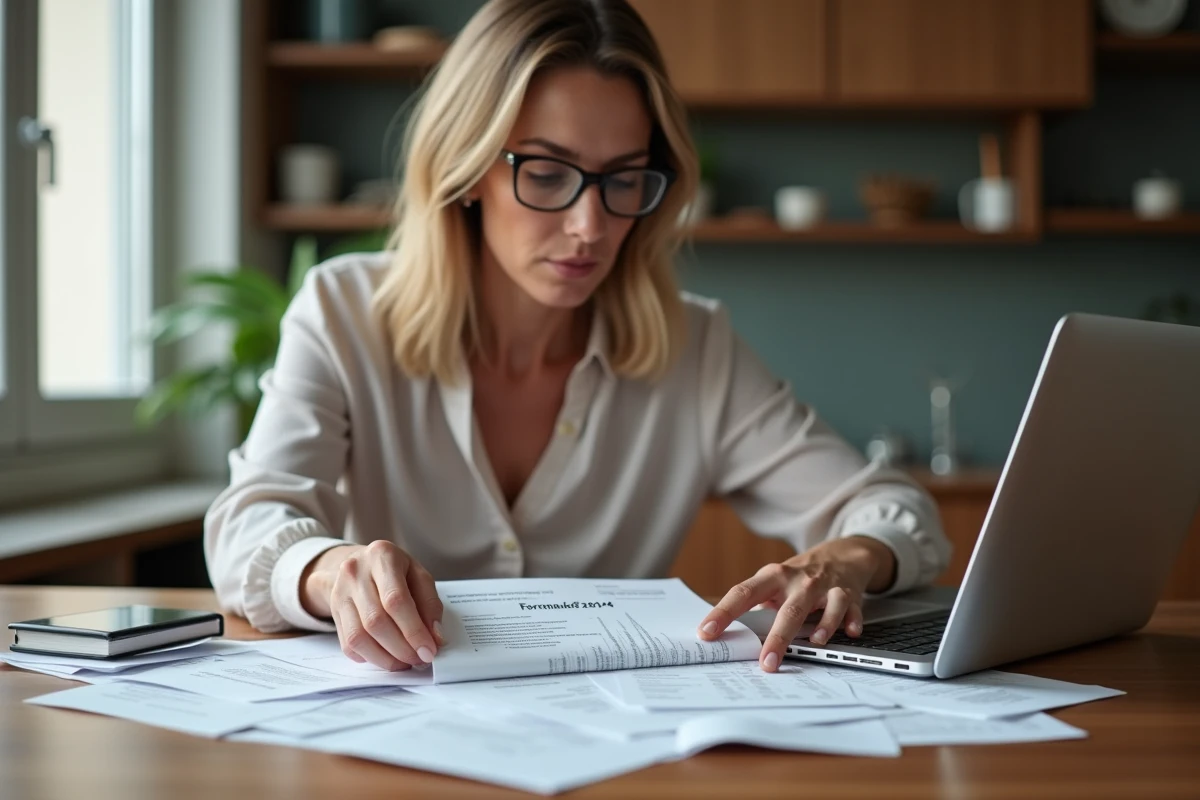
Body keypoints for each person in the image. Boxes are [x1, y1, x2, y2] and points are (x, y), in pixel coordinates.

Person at [205, 0, 950, 675]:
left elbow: (891, 507)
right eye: (549, 171)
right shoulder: (344, 312)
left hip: (622, 747)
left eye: (625, 179)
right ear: (468, 170)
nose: (590, 227)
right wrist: (332, 573)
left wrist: (842, 561)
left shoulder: (695, 348)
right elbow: (246, 528)